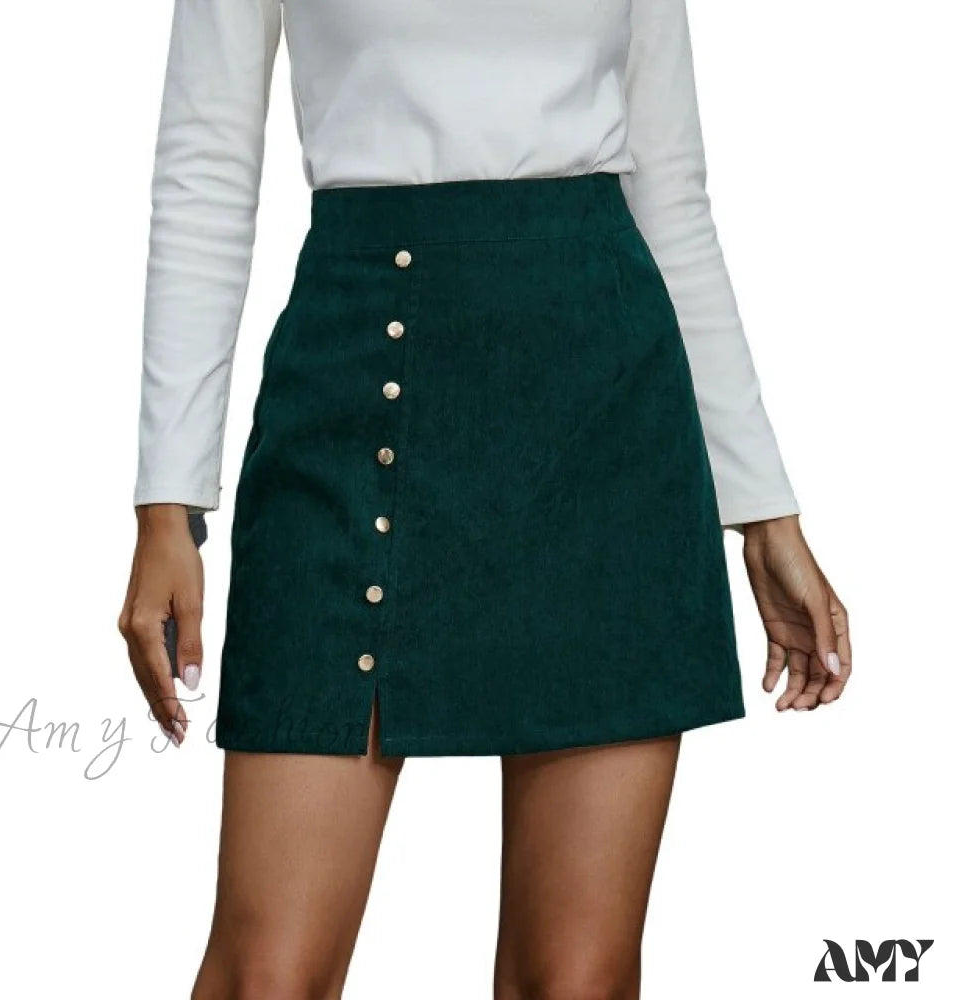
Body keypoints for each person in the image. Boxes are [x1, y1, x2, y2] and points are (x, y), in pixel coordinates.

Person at [118, 1, 853, 996]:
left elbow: (670, 192)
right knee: (267, 975)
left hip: (605, 417)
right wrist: (167, 503)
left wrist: (762, 508)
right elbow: (205, 164)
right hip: (355, 388)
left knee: (576, 980)